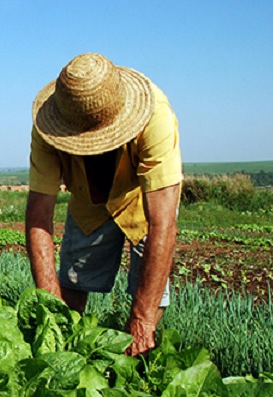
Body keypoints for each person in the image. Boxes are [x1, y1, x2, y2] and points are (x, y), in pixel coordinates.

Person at [25, 53, 182, 357]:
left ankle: (136, 365)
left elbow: (163, 223)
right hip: (87, 198)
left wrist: (142, 318)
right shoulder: (47, 129)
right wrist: (51, 311)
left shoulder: (155, 115)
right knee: (72, 281)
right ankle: (67, 353)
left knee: (147, 306)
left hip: (141, 197)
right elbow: (38, 216)